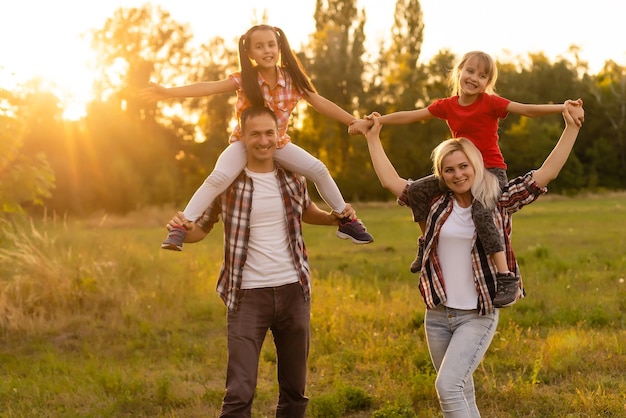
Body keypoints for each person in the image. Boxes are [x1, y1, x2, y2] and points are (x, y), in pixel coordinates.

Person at [361, 103, 584, 417]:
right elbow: (390, 181)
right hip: (437, 314)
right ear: (441, 174)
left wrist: (571, 127)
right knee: (461, 389)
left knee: (447, 387)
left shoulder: (498, 200)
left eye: (463, 166)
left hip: (477, 314)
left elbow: (544, 174)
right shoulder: (437, 203)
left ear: (476, 165)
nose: (458, 174)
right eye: (449, 169)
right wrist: (373, 137)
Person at [349, 50, 582, 307]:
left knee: (482, 212)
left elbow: (526, 110)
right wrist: (374, 123)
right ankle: (427, 241)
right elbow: (411, 115)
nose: (474, 78)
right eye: (470, 71)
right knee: (416, 190)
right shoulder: (447, 105)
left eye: (482, 76)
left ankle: (505, 276)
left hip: (490, 172)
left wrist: (563, 107)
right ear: (459, 71)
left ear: (487, 83)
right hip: (461, 169)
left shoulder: (490, 102)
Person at [167, 106, 356, 417]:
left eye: (270, 133)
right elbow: (200, 230)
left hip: (293, 290)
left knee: (295, 391)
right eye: (255, 134)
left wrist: (333, 219)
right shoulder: (229, 181)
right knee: (239, 391)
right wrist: (182, 231)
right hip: (246, 296)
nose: (264, 140)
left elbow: (306, 210)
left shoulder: (293, 177)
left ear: (279, 135)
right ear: (242, 137)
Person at [143, 24, 372, 252]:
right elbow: (209, 88)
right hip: (245, 144)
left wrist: (352, 121)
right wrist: (168, 92)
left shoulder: (292, 80)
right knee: (218, 177)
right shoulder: (245, 79)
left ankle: (345, 219)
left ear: (279, 47)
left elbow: (319, 102)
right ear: (250, 53)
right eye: (259, 47)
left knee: (318, 169)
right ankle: (182, 226)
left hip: (279, 144)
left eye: (271, 45)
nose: (267, 50)